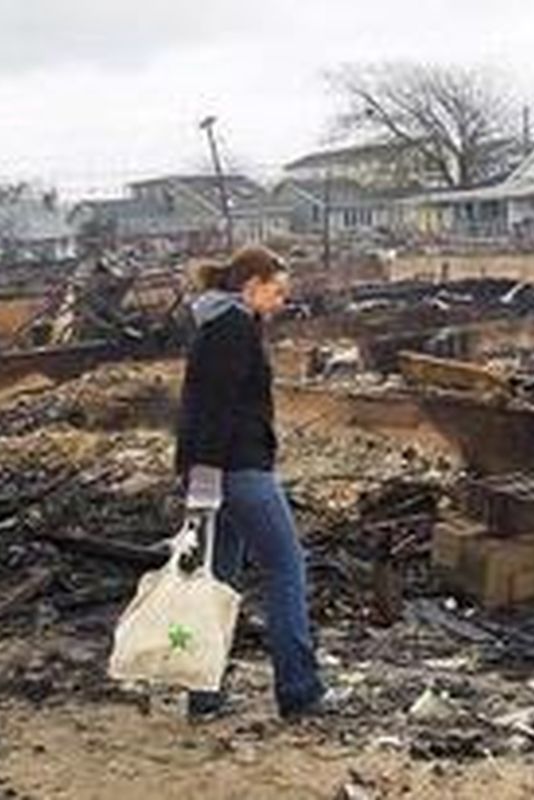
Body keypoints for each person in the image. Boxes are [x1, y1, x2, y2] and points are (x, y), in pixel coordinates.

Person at [176, 245, 327, 721]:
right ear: (251, 285)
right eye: (277, 291)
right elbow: (216, 411)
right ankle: (300, 691)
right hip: (238, 470)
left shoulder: (219, 324)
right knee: (286, 568)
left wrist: (200, 484)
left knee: (217, 578)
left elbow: (199, 409)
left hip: (216, 472)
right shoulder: (234, 330)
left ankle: (204, 695)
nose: (282, 301)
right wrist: (207, 481)